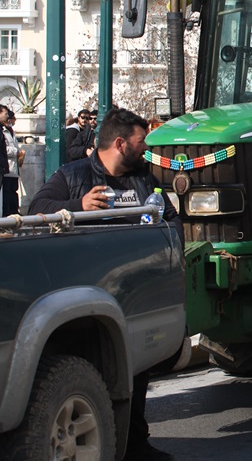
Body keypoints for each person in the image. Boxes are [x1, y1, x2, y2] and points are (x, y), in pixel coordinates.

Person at [29, 107, 178, 461]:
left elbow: (171, 220)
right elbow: (37, 207)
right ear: (120, 143)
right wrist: (78, 204)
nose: (146, 148)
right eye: (141, 142)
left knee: (136, 374)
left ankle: (136, 445)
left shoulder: (145, 178)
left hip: (134, 292)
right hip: (84, 295)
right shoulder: (72, 175)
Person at [0, 105, 22, 216]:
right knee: (7, 191)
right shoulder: (3, 131)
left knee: (13, 190)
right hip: (6, 165)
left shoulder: (10, 131)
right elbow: (4, 148)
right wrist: (15, 152)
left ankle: (14, 211)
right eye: (6, 114)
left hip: (13, 166)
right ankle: (7, 212)